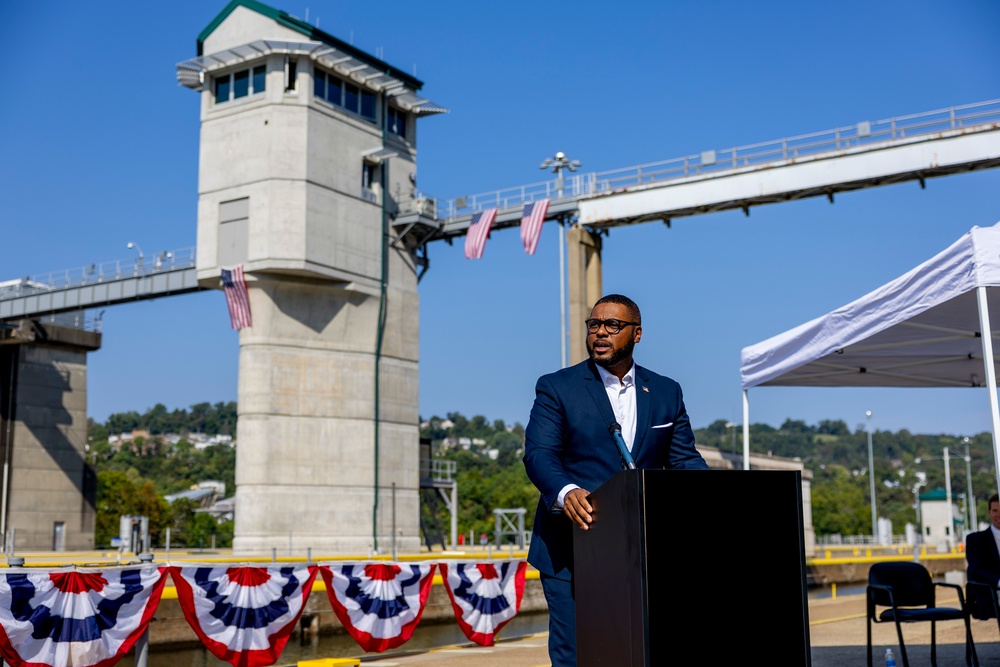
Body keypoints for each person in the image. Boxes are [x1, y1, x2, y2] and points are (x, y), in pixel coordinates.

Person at [522, 293, 708, 666]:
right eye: (594, 325)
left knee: (641, 650)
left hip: (643, 552)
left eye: (612, 325)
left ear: (636, 334)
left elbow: (684, 460)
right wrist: (566, 490)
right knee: (577, 654)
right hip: (570, 550)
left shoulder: (667, 391)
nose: (600, 332)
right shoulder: (557, 387)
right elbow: (539, 454)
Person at [966, 492, 1000, 619]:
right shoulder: (975, 541)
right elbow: (976, 570)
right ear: (989, 513)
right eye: (995, 511)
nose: (998, 515)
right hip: (989, 593)